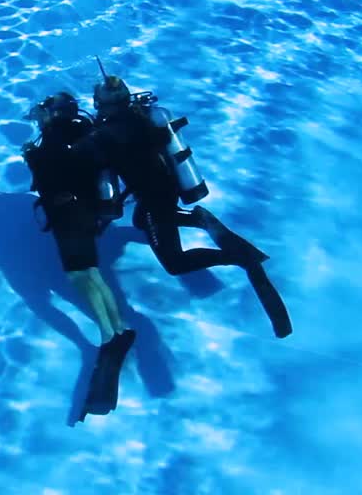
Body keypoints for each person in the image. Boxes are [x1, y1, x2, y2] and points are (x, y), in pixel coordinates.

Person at [89, 71, 293, 339]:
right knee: (140, 221)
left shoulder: (106, 135)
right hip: (170, 187)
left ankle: (238, 257)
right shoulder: (142, 116)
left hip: (154, 199)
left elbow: (103, 173)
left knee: (175, 263)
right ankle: (196, 218)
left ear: (105, 104)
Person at [22, 92, 137, 423]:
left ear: (54, 114)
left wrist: (31, 154)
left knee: (78, 275)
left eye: (45, 112)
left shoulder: (55, 137)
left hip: (68, 213)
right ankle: (118, 328)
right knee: (91, 271)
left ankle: (107, 336)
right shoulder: (84, 129)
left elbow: (47, 177)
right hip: (87, 212)